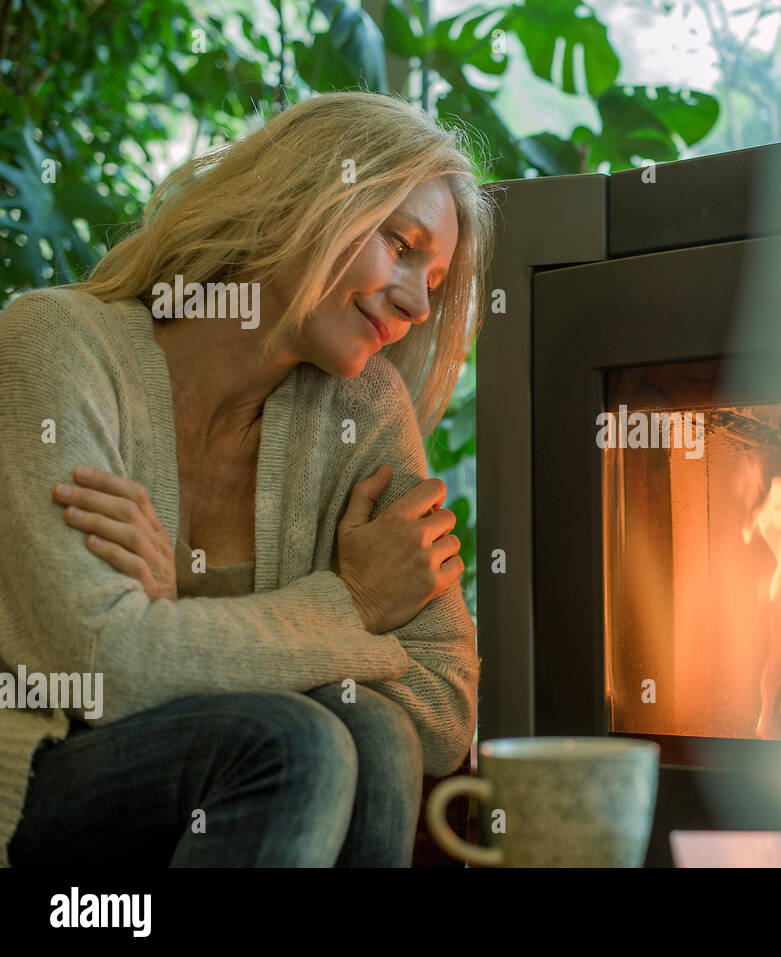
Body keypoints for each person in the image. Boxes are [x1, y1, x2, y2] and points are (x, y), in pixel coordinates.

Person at [0, 91, 499, 867]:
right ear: (301, 198)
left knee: (375, 729)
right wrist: (353, 605)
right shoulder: (58, 343)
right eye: (401, 246)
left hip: (232, 803)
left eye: (433, 283)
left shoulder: (362, 408)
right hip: (38, 776)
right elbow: (96, 669)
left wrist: (170, 621)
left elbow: (442, 706)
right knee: (297, 740)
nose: (416, 303)